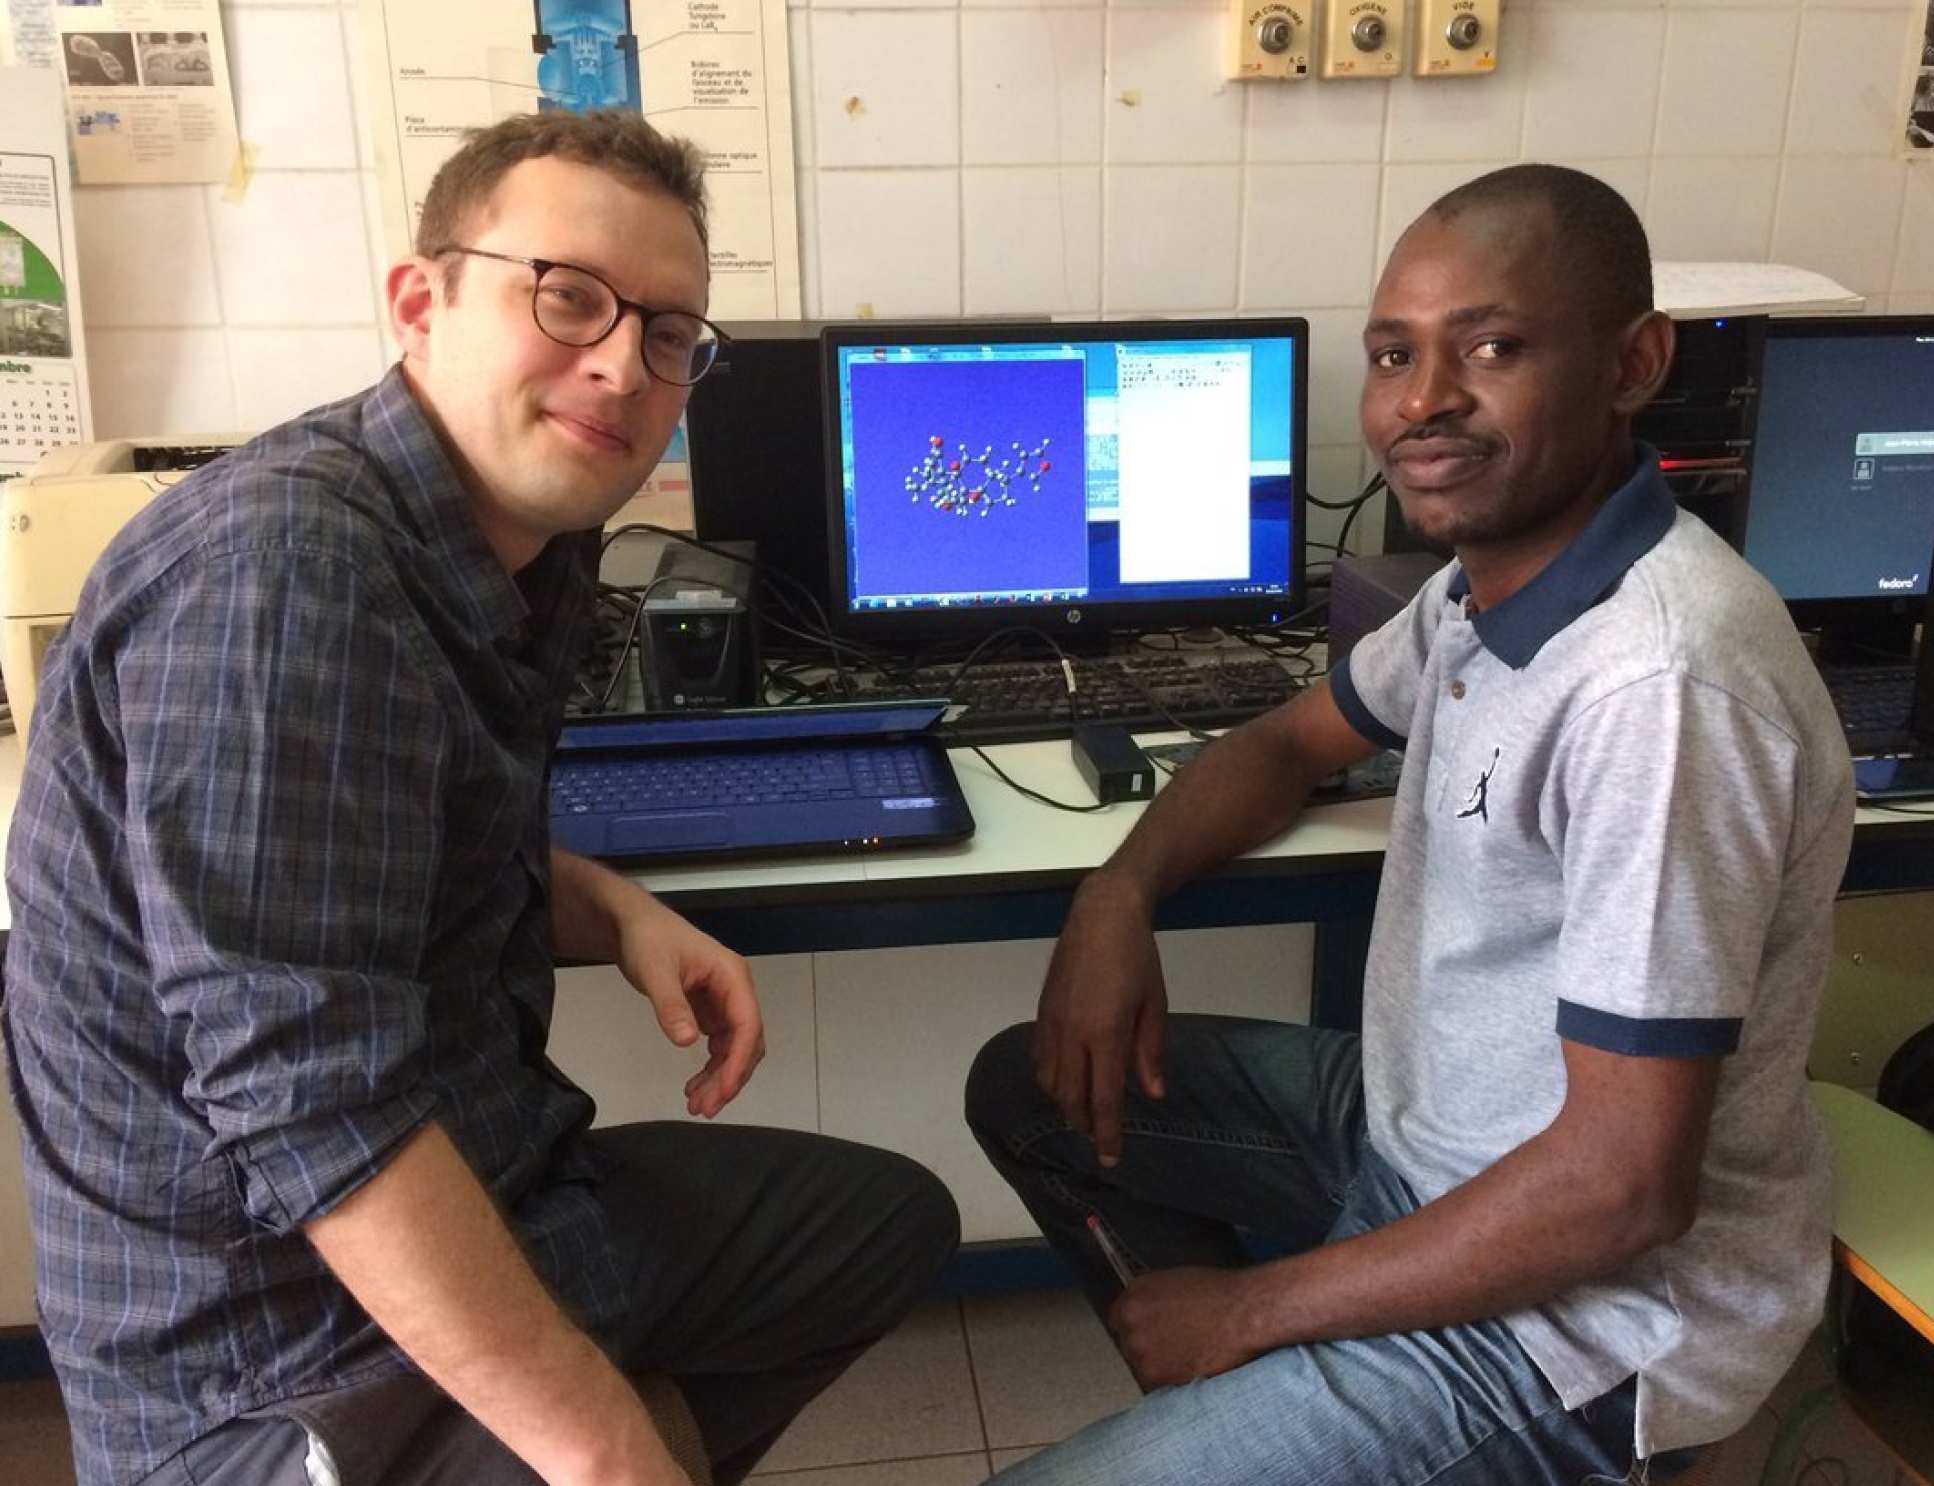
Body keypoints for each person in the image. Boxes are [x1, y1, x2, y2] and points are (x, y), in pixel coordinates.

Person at [4, 109, 957, 1486]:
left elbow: (393, 840)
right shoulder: (284, 573)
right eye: (567, 297)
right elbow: (308, 1101)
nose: (622, 362)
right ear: (419, 304)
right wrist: (600, 1447)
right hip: (274, 1349)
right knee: (601, 1443)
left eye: (670, 333)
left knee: (877, 1226)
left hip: (493, 1185)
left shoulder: (521, 544)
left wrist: (614, 908)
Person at [966, 164, 1854, 1485]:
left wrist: (1253, 1308)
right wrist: (1119, 892)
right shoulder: (1479, 593)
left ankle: (1333, 1399)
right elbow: (1284, 744)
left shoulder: (1658, 688)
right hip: (1421, 1141)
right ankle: (1279, 1410)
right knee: (1034, 1085)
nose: (1423, 398)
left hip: (1584, 1322)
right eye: (1395, 354)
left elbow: (1623, 1189)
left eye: (1491, 348)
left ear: (1633, 363)